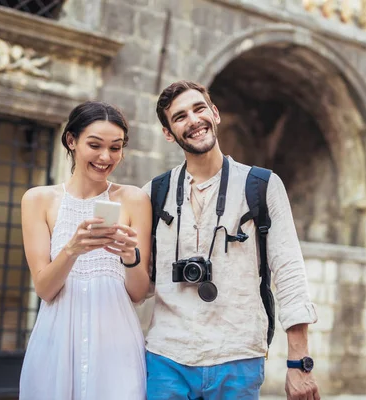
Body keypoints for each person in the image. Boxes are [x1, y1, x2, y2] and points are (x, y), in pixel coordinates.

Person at [142, 81, 320, 400]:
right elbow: (141, 286)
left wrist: (299, 364)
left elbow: (290, 273)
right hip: (166, 358)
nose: (194, 120)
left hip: (238, 357)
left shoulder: (262, 186)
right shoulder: (152, 193)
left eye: (199, 109)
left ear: (215, 113)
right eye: (180, 116)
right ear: (168, 133)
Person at [19, 101, 150, 400]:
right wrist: (72, 249)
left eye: (115, 148)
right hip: (56, 341)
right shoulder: (38, 200)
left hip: (116, 344)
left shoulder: (135, 199)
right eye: (95, 145)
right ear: (71, 140)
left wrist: (130, 258)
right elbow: (44, 288)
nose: (106, 157)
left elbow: (139, 294)